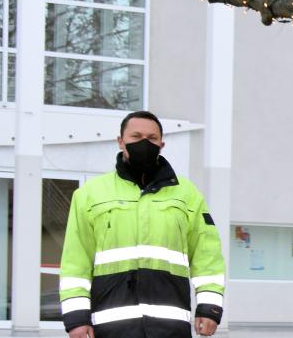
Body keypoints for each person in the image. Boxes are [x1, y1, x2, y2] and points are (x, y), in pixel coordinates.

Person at [59, 111, 225, 338]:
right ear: (120, 141)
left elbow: (207, 255)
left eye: (152, 138)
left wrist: (210, 307)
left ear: (161, 144)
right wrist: (76, 317)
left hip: (170, 327)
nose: (144, 143)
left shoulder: (187, 195)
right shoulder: (90, 194)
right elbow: (75, 261)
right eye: (136, 136)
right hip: (111, 326)